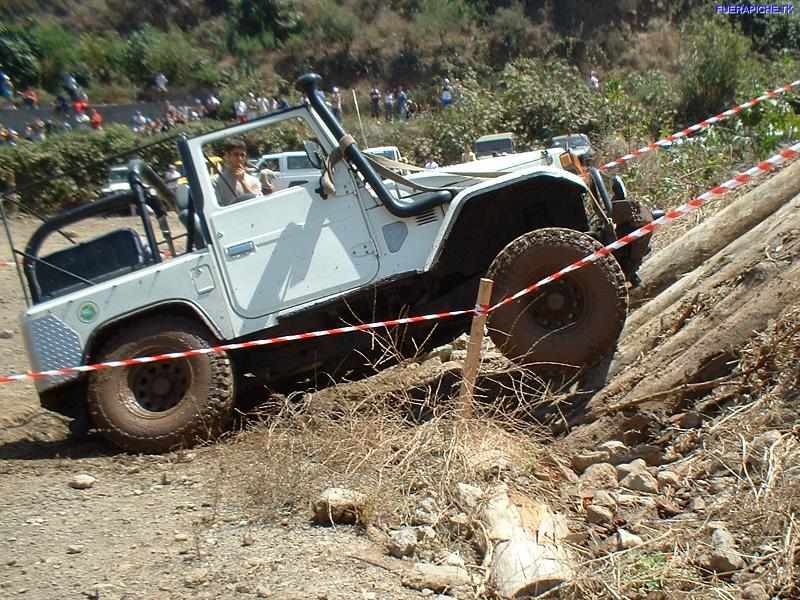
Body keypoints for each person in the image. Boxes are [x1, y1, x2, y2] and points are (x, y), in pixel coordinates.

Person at [212, 139, 260, 206]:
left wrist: (243, 182)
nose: (239, 158)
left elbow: (259, 203)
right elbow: (216, 205)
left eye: (242, 155)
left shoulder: (254, 180)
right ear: (228, 155)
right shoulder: (216, 180)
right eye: (236, 154)